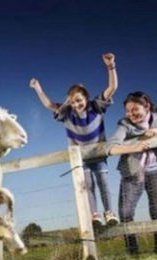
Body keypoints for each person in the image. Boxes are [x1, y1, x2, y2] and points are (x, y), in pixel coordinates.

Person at [30, 53, 119, 228]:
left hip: (98, 153)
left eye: (79, 100)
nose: (76, 104)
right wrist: (37, 88)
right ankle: (95, 215)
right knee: (87, 185)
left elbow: (112, 87)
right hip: (80, 157)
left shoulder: (96, 107)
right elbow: (49, 105)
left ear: (86, 98)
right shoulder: (67, 114)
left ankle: (109, 212)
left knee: (103, 182)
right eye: (72, 101)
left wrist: (111, 66)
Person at [105, 91, 157, 255]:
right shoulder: (125, 125)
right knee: (125, 212)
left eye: (135, 109)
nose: (131, 114)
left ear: (147, 106)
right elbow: (110, 147)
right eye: (127, 111)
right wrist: (134, 146)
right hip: (133, 171)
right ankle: (132, 251)